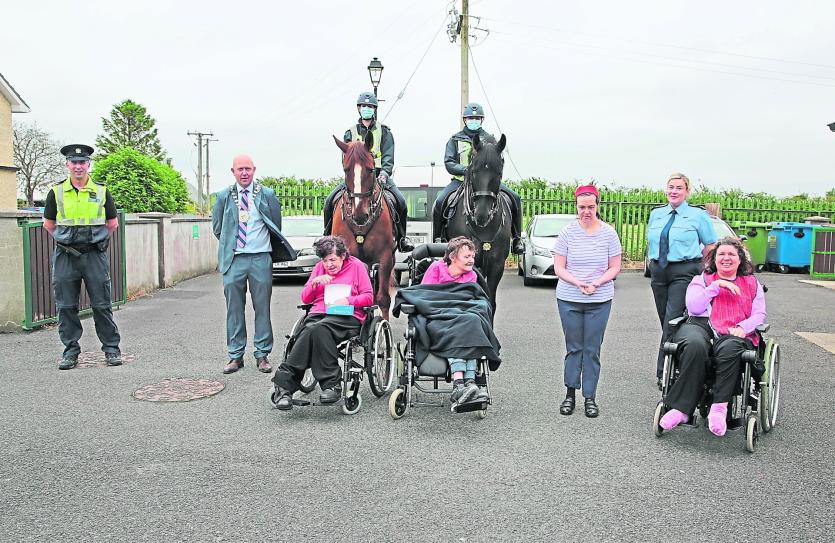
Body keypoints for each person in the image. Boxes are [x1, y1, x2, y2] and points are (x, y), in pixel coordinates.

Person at [659, 237, 766, 437]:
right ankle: (681, 410)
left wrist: (744, 327)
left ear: (740, 259)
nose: (726, 258)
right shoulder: (701, 280)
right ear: (714, 259)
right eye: (721, 254)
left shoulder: (752, 283)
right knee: (694, 344)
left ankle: (719, 408)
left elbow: (759, 313)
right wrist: (715, 287)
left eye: (731, 254)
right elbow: (693, 307)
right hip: (702, 325)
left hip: (735, 330)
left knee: (730, 348)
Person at [212, 154, 296, 375]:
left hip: (260, 259)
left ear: (254, 170)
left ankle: (262, 354)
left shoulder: (266, 194)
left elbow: (275, 225)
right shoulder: (223, 196)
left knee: (262, 308)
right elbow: (218, 229)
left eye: (247, 169)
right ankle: (235, 356)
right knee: (234, 309)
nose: (244, 173)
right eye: (240, 169)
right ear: (233, 172)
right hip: (234, 260)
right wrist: (233, 245)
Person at [42, 144, 122, 370]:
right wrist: (66, 239)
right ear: (67, 164)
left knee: (102, 304)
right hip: (66, 255)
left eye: (82, 162)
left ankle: (111, 349)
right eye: (74, 162)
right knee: (66, 305)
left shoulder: (101, 191)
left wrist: (96, 240)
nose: (78, 166)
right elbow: (48, 224)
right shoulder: (56, 192)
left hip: (94, 254)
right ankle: (70, 352)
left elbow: (112, 223)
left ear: (88, 164)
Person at [272, 235, 373, 409]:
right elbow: (305, 298)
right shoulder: (319, 268)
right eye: (325, 261)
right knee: (311, 329)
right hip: (319, 313)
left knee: (317, 329)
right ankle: (331, 385)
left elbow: (369, 297)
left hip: (346, 315)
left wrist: (348, 300)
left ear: (343, 256)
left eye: (332, 260)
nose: (328, 265)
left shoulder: (357, 267)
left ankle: (284, 385)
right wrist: (314, 284)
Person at [552, 185, 622, 418]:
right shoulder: (567, 233)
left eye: (591, 207)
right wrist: (577, 282)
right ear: (576, 207)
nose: (586, 212)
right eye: (582, 207)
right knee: (574, 347)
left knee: (592, 349)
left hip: (599, 299)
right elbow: (559, 267)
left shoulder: (609, 234)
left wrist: (597, 282)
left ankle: (590, 397)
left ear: (597, 206)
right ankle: (570, 394)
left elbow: (615, 267)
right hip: (569, 298)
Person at [647, 172, 717, 388]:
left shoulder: (698, 215)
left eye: (679, 188)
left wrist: (698, 265)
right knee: (666, 321)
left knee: (672, 319)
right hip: (659, 271)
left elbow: (710, 244)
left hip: (683, 270)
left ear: (687, 191)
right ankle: (679, 360)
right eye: (671, 187)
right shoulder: (657, 214)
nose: (674, 191)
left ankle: (663, 372)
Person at [322, 91, 413, 252]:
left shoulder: (384, 131)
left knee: (401, 202)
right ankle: (327, 236)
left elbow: (388, 155)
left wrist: (384, 173)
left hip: (378, 174)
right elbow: (346, 157)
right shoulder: (350, 133)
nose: (367, 109)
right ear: (359, 108)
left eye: (370, 106)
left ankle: (402, 239)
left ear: (374, 109)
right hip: (356, 177)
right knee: (329, 201)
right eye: (364, 106)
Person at [432, 102, 525, 255]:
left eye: (476, 118)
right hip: (460, 181)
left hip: (485, 183)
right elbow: (449, 162)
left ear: (481, 120)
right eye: (470, 118)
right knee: (440, 202)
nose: (473, 121)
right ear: (465, 120)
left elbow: (498, 160)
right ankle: (438, 239)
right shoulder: (455, 140)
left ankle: (517, 239)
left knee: (515, 197)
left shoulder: (490, 139)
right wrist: (465, 170)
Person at [420, 236, 490, 407]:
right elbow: (424, 295)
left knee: (473, 322)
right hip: (438, 318)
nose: (471, 260)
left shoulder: (471, 276)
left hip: (462, 317)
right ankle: (459, 383)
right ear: (453, 257)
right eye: (467, 256)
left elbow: (469, 301)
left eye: (473, 256)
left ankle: (469, 383)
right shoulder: (436, 268)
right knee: (461, 327)